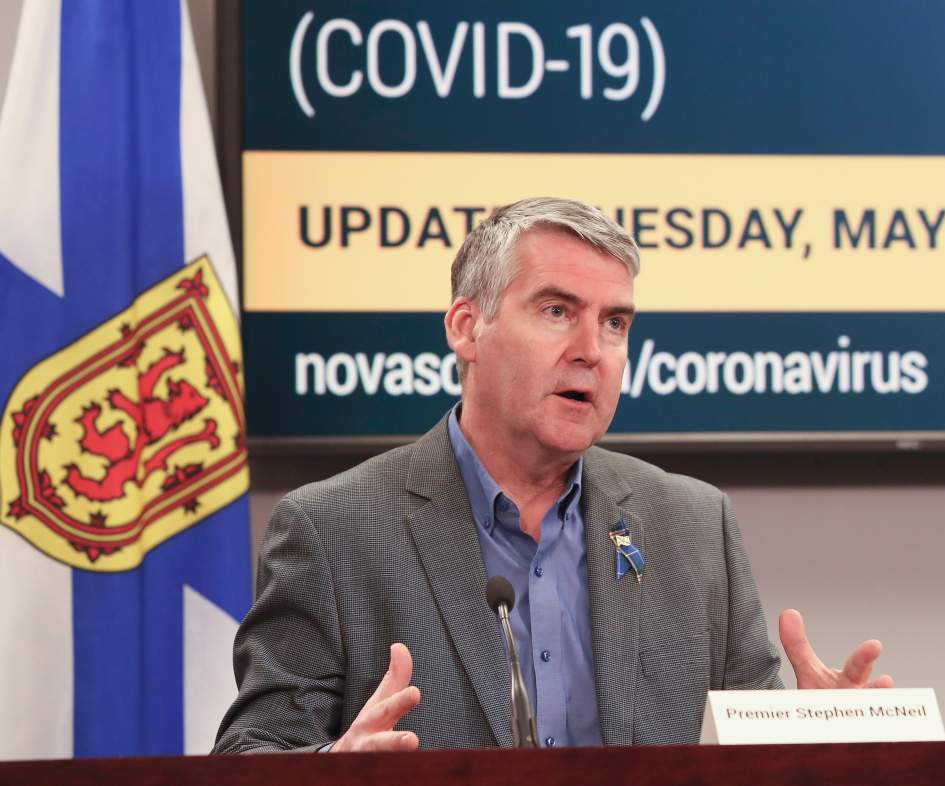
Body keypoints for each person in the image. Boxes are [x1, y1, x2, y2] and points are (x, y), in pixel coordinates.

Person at [214, 197, 891, 753]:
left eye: (615, 323)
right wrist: (331, 767)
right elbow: (250, 754)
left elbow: (755, 754)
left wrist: (816, 740)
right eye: (557, 311)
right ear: (465, 327)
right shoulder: (334, 531)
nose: (591, 351)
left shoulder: (692, 524)